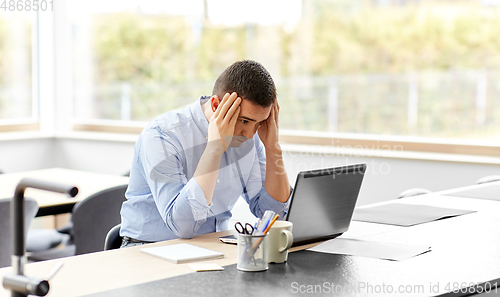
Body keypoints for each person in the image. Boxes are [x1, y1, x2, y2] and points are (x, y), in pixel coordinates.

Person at [120, 60, 293, 247]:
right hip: (150, 248)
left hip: (214, 247)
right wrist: (215, 148)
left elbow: (273, 215)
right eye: (244, 121)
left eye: (259, 123)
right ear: (216, 105)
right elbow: (182, 226)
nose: (251, 134)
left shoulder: (250, 139)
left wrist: (273, 148)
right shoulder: (163, 135)